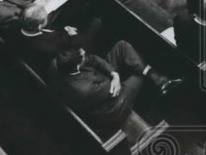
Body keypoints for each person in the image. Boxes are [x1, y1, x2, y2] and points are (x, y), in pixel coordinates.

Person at [48, 44, 181, 135]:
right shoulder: (83, 90)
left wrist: (114, 74)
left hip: (101, 81)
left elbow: (93, 59)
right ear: (77, 66)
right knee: (139, 76)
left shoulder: (60, 63)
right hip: (112, 106)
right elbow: (113, 90)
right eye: (82, 56)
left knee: (122, 46)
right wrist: (115, 77)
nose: (85, 53)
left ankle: (157, 78)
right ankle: (152, 96)